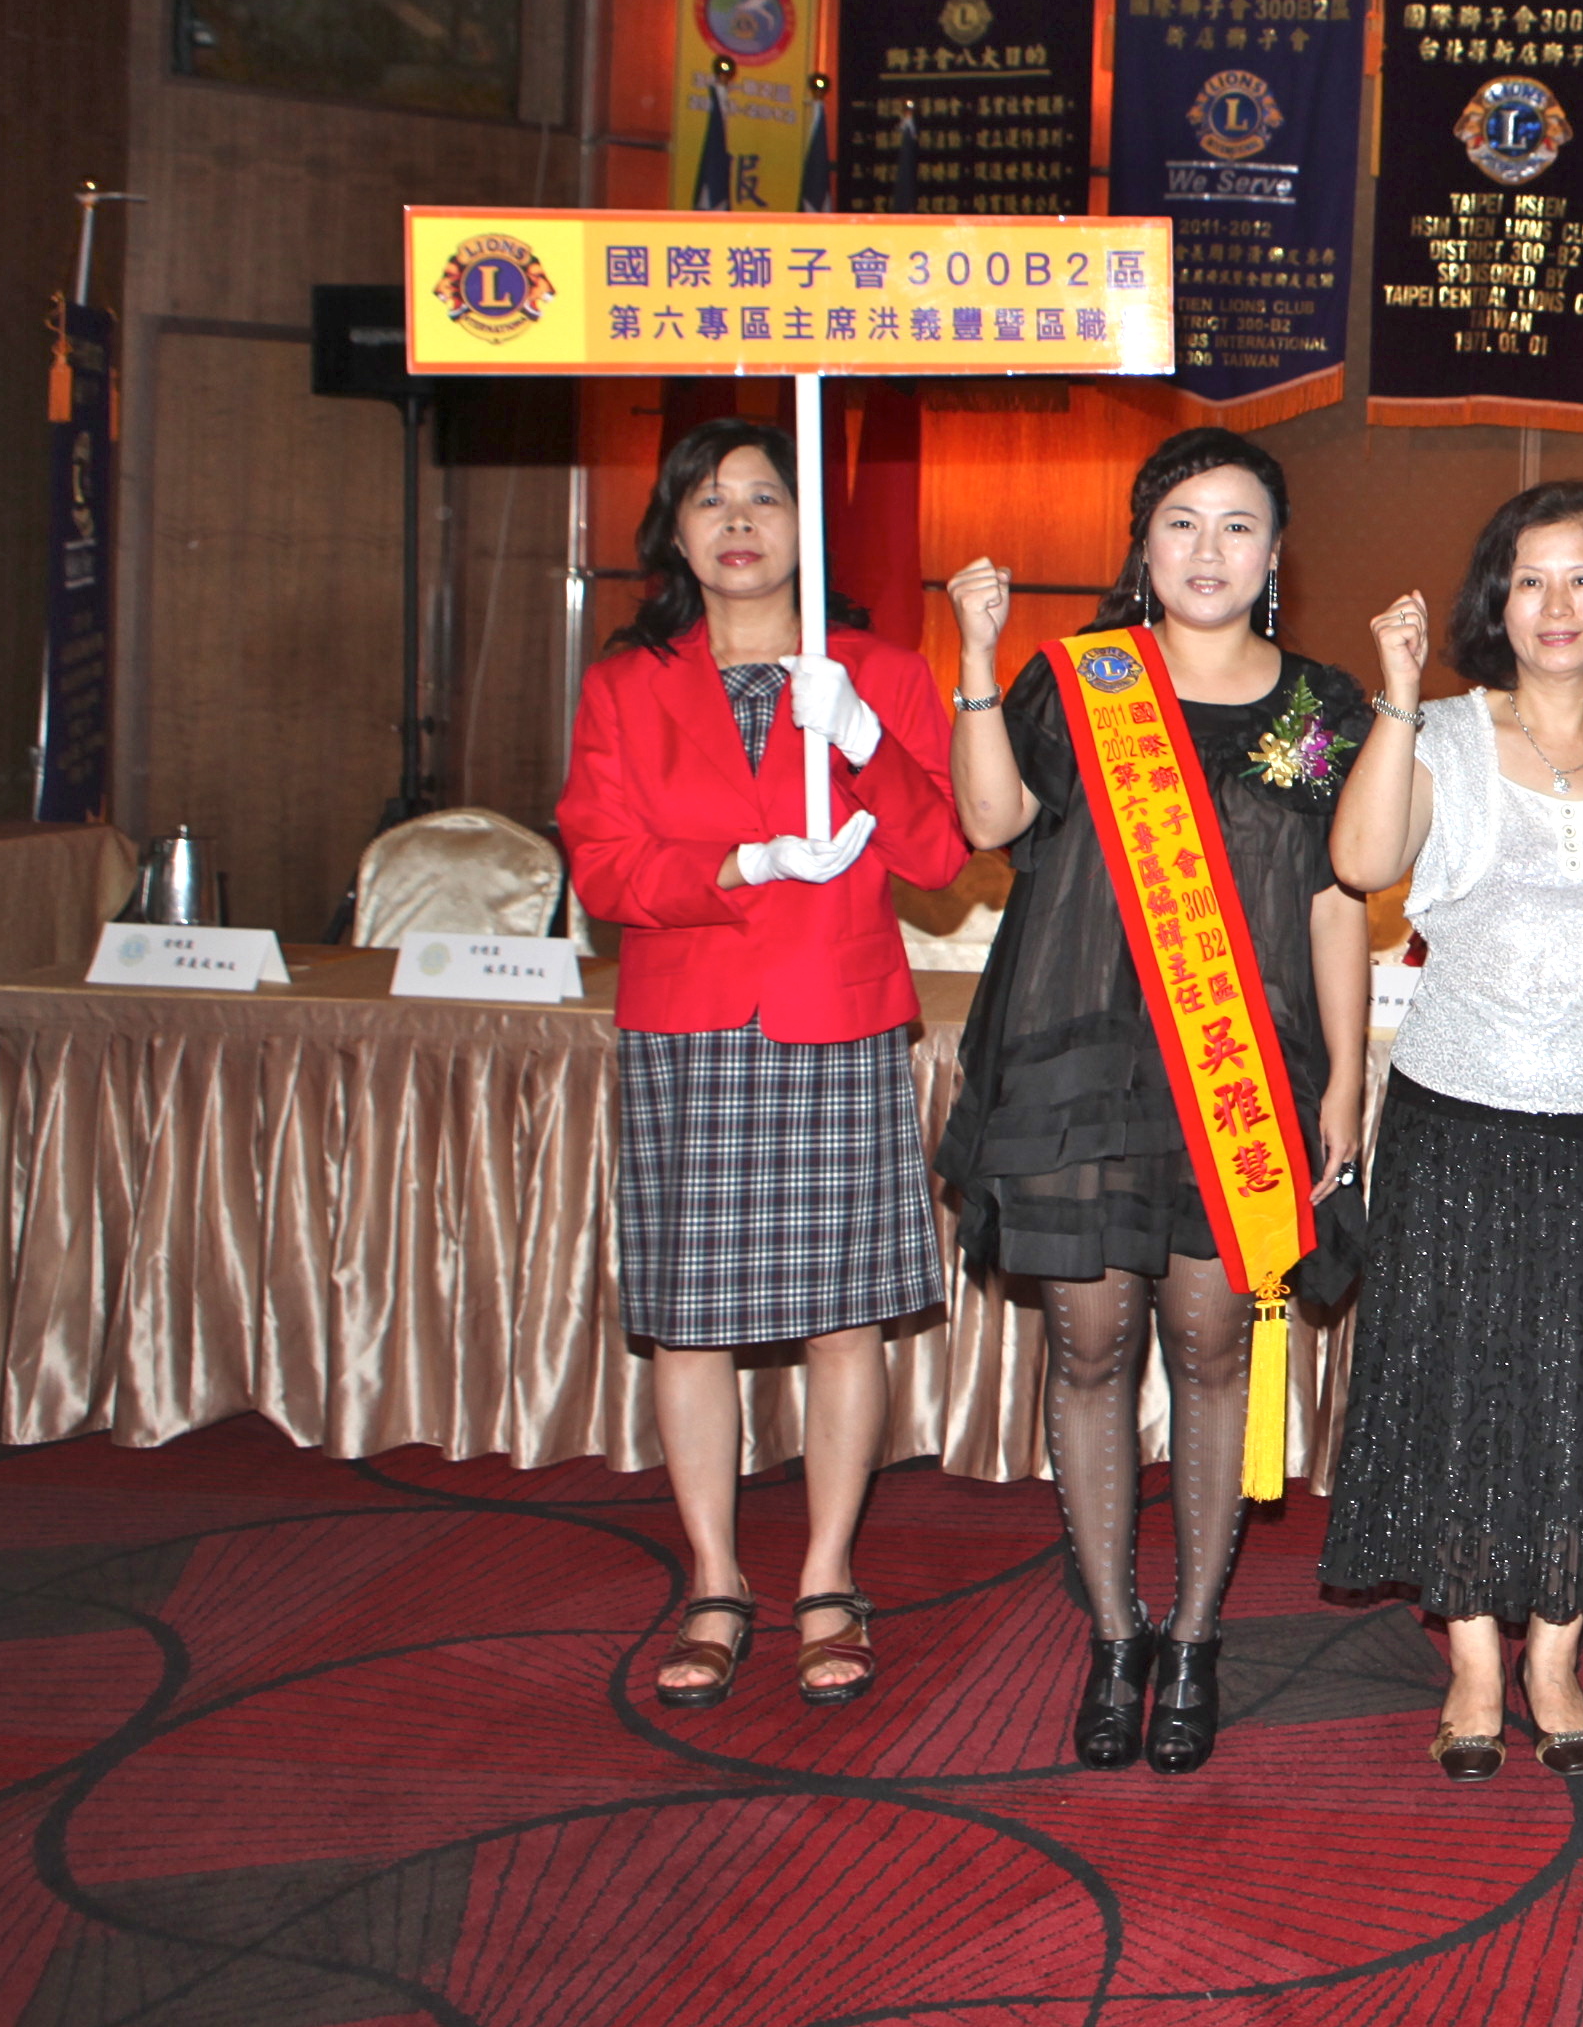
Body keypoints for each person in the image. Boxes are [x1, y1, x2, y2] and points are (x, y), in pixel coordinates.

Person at [930, 428, 1372, 1777]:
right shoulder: (1082, 680)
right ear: (1142, 543)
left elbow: (1334, 898)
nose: (1208, 550)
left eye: (1238, 525)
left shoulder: (1319, 707)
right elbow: (991, 823)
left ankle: (1194, 1636)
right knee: (1088, 1347)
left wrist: (1347, 1076)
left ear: (1276, 552)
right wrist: (975, 655)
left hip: (1239, 1069)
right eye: (1182, 522)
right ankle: (1115, 1632)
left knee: (1213, 1346)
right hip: (1082, 1059)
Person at [559, 415, 970, 1711]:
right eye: (709, 499)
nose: (738, 520)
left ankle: (830, 1574)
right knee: (690, 1323)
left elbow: (942, 855)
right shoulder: (626, 683)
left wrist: (862, 740)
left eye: (765, 496)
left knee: (844, 1317)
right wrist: (738, 863)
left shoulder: (878, 670)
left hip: (834, 1019)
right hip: (687, 1025)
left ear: (808, 525)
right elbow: (601, 867)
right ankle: (716, 1577)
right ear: (674, 531)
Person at [1317, 481, 1583, 1782]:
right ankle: (1475, 1664)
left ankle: (1555, 1653)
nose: (1556, 605)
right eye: (1530, 579)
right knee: (1461, 1391)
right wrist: (1395, 692)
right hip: (1461, 1125)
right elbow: (1361, 861)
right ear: (1497, 601)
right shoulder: (1439, 733)